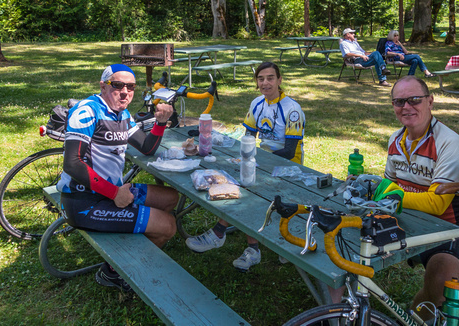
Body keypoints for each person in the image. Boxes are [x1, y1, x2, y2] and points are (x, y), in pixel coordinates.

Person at [58, 64, 179, 292]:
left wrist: (161, 122)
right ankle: (113, 273)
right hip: (83, 202)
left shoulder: (122, 113)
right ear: (103, 86)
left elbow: (145, 147)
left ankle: (133, 241)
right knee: (168, 226)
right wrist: (115, 193)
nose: (125, 92)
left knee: (170, 197)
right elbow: (73, 164)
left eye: (131, 86)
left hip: (111, 192)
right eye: (118, 85)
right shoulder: (88, 110)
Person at [185, 62, 305, 272]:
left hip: (288, 167)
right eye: (261, 79)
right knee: (236, 179)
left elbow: (289, 151)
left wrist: (253, 158)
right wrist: (243, 157)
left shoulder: (292, 109)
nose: (265, 82)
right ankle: (245, 244)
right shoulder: (257, 103)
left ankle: (223, 236)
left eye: (270, 78)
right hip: (262, 160)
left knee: (249, 189)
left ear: (279, 80)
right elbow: (249, 136)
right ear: (257, 82)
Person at [385, 75, 459, 320]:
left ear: (430, 101)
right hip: (407, 221)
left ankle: (418, 315)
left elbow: (437, 203)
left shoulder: (449, 142)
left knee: (440, 283)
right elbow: (388, 183)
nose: (406, 107)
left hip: (446, 227)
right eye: (399, 101)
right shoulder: (395, 139)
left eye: (414, 100)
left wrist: (392, 194)